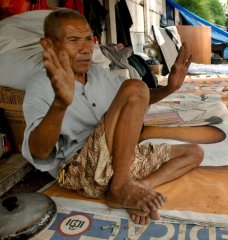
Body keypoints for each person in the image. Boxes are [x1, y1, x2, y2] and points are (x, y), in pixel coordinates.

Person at [22, 8, 204, 225]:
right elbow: (39, 151)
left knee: (194, 152)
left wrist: (168, 89)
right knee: (134, 86)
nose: (86, 49)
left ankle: (136, 187)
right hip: (79, 171)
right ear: (48, 45)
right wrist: (59, 105)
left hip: (117, 161)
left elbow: (137, 99)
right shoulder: (40, 85)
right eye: (73, 40)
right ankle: (121, 186)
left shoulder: (99, 75)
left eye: (89, 39)